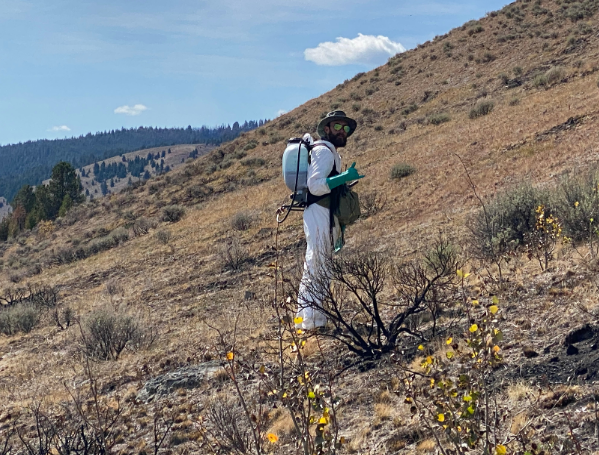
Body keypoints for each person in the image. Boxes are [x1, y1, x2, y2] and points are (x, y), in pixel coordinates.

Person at [296, 111, 365, 330]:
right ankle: (310, 322)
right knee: (317, 265)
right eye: (338, 127)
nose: (342, 132)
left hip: (322, 214)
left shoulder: (328, 152)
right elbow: (315, 185)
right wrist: (344, 178)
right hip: (319, 213)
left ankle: (312, 319)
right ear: (326, 129)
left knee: (318, 264)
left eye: (345, 129)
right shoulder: (324, 151)